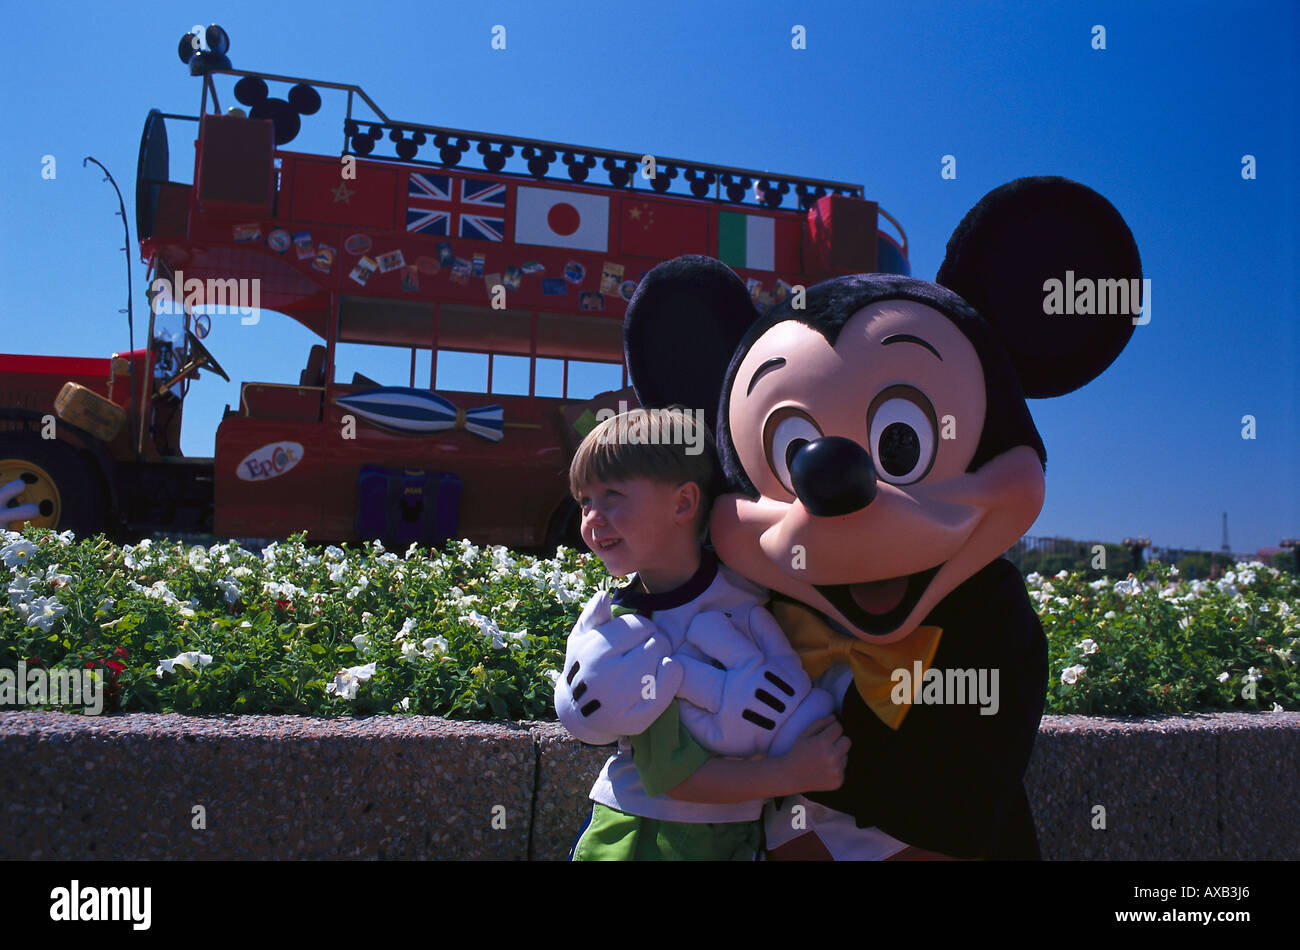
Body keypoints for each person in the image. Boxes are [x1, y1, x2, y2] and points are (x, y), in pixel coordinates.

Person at [554, 406, 845, 860]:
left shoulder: (746, 583)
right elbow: (676, 776)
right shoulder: (629, 638)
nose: (592, 518)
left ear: (684, 503)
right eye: (585, 501)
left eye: (610, 495)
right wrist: (791, 774)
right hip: (645, 836)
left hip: (732, 834)